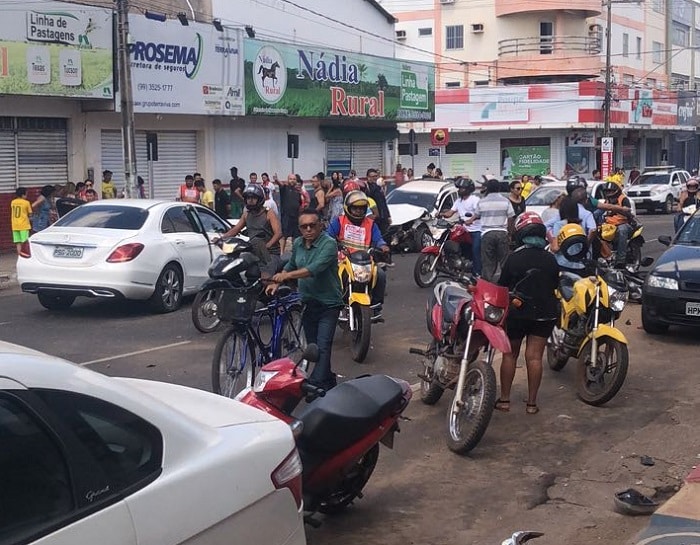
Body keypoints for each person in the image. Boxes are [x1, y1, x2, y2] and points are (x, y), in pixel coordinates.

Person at [268, 209, 343, 390]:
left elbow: (313, 269)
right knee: (313, 348)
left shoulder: (329, 244)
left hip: (328, 304)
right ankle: (328, 380)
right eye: (304, 226)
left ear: (320, 226)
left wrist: (286, 276)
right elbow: (291, 264)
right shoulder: (299, 243)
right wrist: (276, 281)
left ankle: (315, 385)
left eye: (312, 225)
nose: (308, 229)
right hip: (308, 302)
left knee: (323, 346)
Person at [496, 212, 560, 415]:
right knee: (534, 357)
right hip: (545, 313)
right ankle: (531, 404)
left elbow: (502, 287)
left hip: (517, 312)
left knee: (510, 355)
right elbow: (555, 285)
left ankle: (504, 401)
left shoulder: (514, 258)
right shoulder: (551, 259)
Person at [327, 191, 390, 316]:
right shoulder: (339, 221)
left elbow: (378, 239)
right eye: (355, 208)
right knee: (331, 276)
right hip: (344, 260)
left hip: (365, 262)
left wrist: (383, 246)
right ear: (348, 208)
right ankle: (333, 304)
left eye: (361, 208)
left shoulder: (371, 224)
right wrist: (333, 246)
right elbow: (328, 236)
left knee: (380, 275)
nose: (358, 211)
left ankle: (376, 307)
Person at [218, 185, 282, 277]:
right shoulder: (246, 214)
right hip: (253, 252)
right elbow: (235, 230)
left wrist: (268, 245)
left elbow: (278, 233)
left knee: (265, 277)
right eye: (248, 198)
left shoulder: (268, 213)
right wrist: (221, 238)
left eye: (253, 198)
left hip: (270, 253)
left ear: (259, 199)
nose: (250, 200)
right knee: (234, 265)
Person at [465, 178, 514, 282]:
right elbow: (511, 218)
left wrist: (469, 221)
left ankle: (487, 285)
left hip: (487, 234)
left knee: (487, 262)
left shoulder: (482, 202)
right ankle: (506, 284)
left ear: (488, 189)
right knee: (504, 261)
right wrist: (510, 234)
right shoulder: (505, 201)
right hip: (502, 233)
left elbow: (477, 215)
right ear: (499, 188)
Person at [439, 177, 482, 276]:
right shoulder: (458, 201)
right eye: (459, 188)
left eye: (462, 188)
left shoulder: (474, 200)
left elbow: (479, 213)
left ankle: (477, 273)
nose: (459, 190)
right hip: (463, 230)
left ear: (468, 189)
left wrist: (471, 220)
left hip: (476, 230)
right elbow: (450, 213)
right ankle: (456, 265)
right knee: (452, 244)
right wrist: (441, 214)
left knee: (475, 250)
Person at [546, 196, 591, 275]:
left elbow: (555, 248)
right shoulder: (581, 225)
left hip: (563, 265)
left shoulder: (559, 225)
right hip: (580, 266)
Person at [601, 180, 634, 268]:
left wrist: (617, 210)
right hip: (609, 225)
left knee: (622, 231)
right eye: (607, 191)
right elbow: (600, 211)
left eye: (610, 191)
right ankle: (606, 256)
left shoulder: (623, 199)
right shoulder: (607, 201)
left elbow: (628, 212)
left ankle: (621, 260)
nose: (608, 193)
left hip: (623, 224)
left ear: (616, 191)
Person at [277, 173, 303, 253]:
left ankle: (294, 251)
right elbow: (280, 184)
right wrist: (276, 180)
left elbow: (300, 204)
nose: (292, 181)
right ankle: (282, 252)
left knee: (295, 236)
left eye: (294, 179)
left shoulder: (298, 192)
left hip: (296, 216)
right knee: (284, 235)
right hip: (286, 216)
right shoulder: (284, 188)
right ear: (288, 180)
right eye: (291, 179)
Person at [365, 168, 392, 235]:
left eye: (376, 176)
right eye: (373, 176)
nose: (375, 178)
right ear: (368, 177)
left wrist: (388, 216)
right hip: (374, 217)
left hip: (383, 217)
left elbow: (383, 202)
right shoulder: (367, 187)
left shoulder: (378, 187)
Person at [10, 187, 32, 256]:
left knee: (18, 242)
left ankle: (19, 255)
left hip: (15, 225)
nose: (27, 196)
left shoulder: (13, 202)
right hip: (23, 225)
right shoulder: (26, 202)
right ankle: (25, 255)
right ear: (23, 195)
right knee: (24, 242)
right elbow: (30, 213)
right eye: (26, 194)